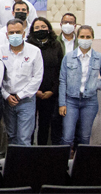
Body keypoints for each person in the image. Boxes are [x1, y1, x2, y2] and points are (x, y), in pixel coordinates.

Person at [58, 25, 101, 148]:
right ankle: (65, 158)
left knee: (85, 136)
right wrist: (62, 103)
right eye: (82, 36)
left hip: (90, 101)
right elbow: (62, 81)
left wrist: (96, 85)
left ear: (92, 38)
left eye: (88, 37)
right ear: (77, 37)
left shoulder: (99, 58)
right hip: (71, 101)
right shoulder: (68, 57)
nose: (85, 39)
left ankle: (81, 159)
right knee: (67, 136)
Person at [0, 18, 44, 146]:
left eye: (18, 32)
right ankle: (12, 160)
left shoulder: (34, 51)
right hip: (7, 100)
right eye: (11, 33)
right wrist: (6, 95)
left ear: (24, 34)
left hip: (26, 100)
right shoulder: (0, 51)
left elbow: (37, 77)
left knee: (24, 138)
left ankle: (24, 160)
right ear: (7, 35)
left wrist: (20, 95)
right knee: (11, 136)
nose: (15, 35)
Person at [27, 17, 64, 145]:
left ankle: (41, 151)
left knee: (45, 124)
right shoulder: (28, 45)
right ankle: (29, 150)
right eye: (37, 27)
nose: (40, 29)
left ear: (49, 28)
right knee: (30, 125)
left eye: (43, 27)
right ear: (32, 30)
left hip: (50, 93)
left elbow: (60, 70)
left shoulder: (56, 45)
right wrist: (34, 90)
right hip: (31, 93)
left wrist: (53, 91)